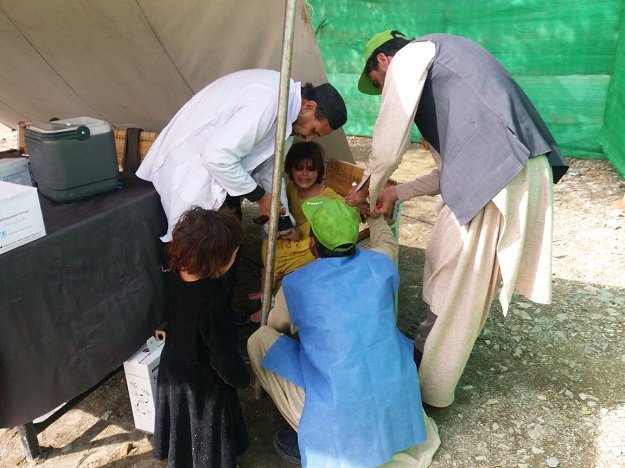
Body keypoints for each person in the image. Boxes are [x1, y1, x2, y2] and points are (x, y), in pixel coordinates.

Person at [348, 30, 569, 408]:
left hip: (496, 173)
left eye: (378, 83)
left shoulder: (411, 56)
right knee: (455, 272)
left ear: (383, 61)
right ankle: (428, 358)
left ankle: (426, 387)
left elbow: (387, 147)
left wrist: (365, 192)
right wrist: (394, 193)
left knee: (457, 282)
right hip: (511, 167)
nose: (385, 90)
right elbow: (447, 169)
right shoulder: (445, 63)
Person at [136, 68, 347, 326]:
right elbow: (216, 156)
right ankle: (194, 328)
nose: (309, 137)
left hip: (223, 178)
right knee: (198, 258)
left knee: (228, 249)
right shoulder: (269, 98)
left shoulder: (288, 117)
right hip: (193, 171)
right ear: (309, 106)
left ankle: (220, 318)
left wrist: (283, 223)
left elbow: (272, 171)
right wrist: (260, 197)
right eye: (314, 130)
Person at [248, 197, 440, 467]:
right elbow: (387, 240)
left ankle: (308, 433)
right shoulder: (382, 262)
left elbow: (276, 328)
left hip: (341, 420)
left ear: (312, 244)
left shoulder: (295, 284)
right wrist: (374, 217)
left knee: (260, 340)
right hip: (396, 406)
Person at [153, 207, 250, 467]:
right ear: (217, 261)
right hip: (203, 381)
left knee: (183, 423)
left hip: (173, 365)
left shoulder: (174, 275)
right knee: (205, 429)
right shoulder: (213, 300)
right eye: (233, 255)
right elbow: (222, 354)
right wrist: (241, 377)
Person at [248, 141, 344, 313]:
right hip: (292, 239)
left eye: (311, 169)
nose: (305, 174)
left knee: (282, 266)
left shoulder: (327, 196)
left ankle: (272, 307)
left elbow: (343, 214)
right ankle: (266, 295)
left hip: (312, 245)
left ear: (319, 171)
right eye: (299, 168)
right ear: (290, 169)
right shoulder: (290, 189)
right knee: (267, 246)